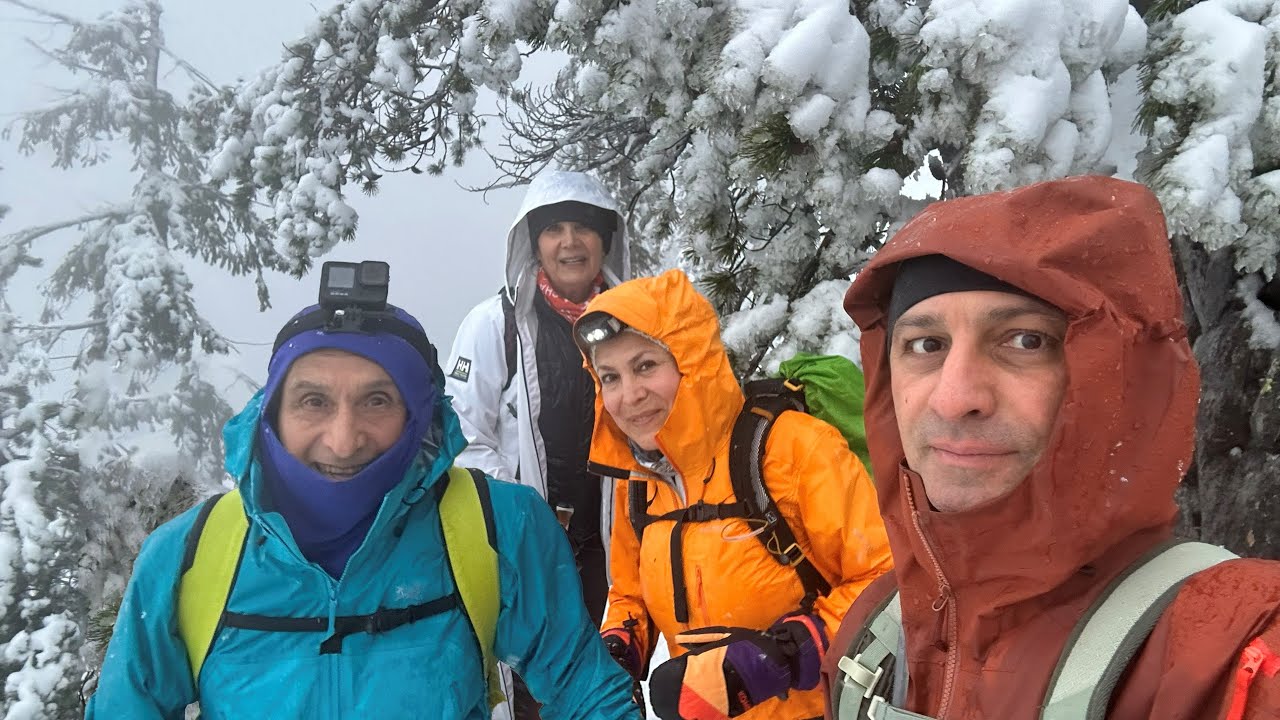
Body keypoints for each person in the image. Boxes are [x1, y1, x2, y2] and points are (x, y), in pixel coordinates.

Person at [821, 176, 1280, 719]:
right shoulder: (873, 634)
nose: (955, 398)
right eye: (926, 345)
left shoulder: (1229, 643)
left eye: (1025, 340)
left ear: (1120, 376)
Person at [88, 268, 639, 720]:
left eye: (377, 401)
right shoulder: (188, 557)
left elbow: (583, 688)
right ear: (271, 413)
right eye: (313, 401)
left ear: (418, 417)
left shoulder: (498, 527)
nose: (343, 438)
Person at [572, 269, 894, 720]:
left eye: (646, 366)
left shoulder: (790, 449)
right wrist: (621, 644)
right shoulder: (640, 484)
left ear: (691, 362)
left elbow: (888, 580)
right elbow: (630, 593)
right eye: (610, 377)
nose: (630, 395)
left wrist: (778, 659)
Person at [445, 171, 629, 717]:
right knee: (535, 678)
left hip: (613, 534)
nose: (570, 243)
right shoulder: (496, 323)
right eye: (554, 230)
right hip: (532, 539)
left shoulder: (633, 318)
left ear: (605, 239)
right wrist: (524, 513)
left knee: (615, 664)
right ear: (533, 241)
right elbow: (463, 434)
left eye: (583, 229)